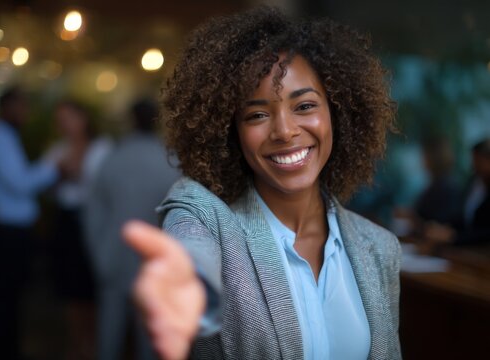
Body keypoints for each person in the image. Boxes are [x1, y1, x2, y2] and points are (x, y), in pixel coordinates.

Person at [124, 7, 400, 360]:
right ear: (230, 132)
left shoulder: (379, 250)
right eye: (256, 115)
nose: (284, 131)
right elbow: (190, 246)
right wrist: (186, 281)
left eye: (304, 106)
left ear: (338, 112)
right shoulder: (208, 220)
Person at [84, 98, 180, 360]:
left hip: (113, 255)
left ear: (130, 121)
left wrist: (100, 254)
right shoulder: (171, 161)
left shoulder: (112, 159)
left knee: (109, 333)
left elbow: (93, 212)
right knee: (150, 337)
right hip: (155, 260)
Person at [0, 87, 59, 360]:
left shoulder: (4, 136)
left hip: (8, 228)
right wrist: (54, 167)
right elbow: (20, 183)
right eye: (21, 107)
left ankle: (4, 349)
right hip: (7, 231)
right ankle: (2, 352)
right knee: (5, 297)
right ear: (7, 107)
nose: (25, 113)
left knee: (7, 297)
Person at [44, 100, 112, 359]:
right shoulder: (57, 149)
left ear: (83, 118)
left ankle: (92, 347)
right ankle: (77, 345)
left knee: (90, 286)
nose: (64, 125)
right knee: (70, 289)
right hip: (66, 222)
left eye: (68, 118)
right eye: (60, 120)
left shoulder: (102, 147)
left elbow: (105, 187)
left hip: (93, 221)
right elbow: (46, 187)